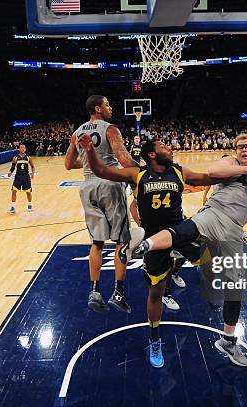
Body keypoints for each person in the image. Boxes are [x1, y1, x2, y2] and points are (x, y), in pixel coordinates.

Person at [126, 134, 247, 367]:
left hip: (234, 229)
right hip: (215, 213)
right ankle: (143, 245)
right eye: (240, 146)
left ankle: (228, 341)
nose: (243, 149)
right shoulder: (230, 162)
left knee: (234, 286)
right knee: (185, 230)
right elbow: (213, 172)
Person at [78, 134, 220, 368]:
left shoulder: (179, 171)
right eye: (165, 146)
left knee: (210, 258)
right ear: (152, 154)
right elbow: (102, 171)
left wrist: (242, 172)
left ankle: (179, 270)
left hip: (180, 231)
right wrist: (90, 151)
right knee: (156, 292)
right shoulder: (137, 174)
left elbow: (208, 177)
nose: (171, 148)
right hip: (153, 240)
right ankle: (154, 339)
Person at [64, 95, 137, 313]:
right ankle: (118, 292)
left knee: (97, 243)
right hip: (110, 184)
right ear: (98, 108)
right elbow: (123, 160)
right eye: (107, 104)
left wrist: (88, 160)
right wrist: (143, 172)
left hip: (87, 186)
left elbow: (68, 164)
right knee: (121, 241)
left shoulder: (77, 133)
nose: (111, 107)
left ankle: (94, 291)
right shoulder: (110, 129)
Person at [7, 144, 35, 214]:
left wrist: (32, 173)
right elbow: (13, 167)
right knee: (14, 191)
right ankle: (13, 207)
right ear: (19, 149)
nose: (22, 149)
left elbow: (32, 166)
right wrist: (10, 172)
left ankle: (29, 205)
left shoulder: (28, 157)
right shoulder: (15, 158)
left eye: (24, 148)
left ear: (25, 149)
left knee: (28, 192)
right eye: (21, 148)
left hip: (26, 177)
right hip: (18, 177)